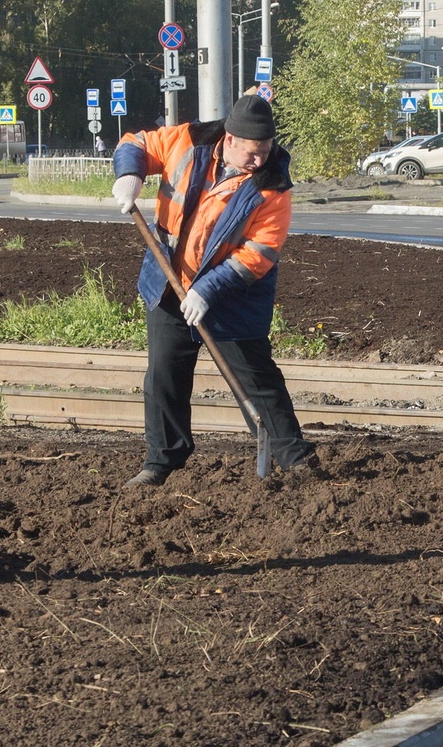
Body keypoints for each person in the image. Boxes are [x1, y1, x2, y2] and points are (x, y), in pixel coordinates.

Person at [111, 94, 317, 487]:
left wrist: (207, 290)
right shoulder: (189, 141)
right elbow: (136, 143)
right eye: (253, 152)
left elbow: (258, 254)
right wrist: (129, 173)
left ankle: (293, 458)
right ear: (230, 139)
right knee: (163, 376)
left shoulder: (273, 186)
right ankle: (162, 460)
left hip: (232, 295)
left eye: (267, 150)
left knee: (256, 379)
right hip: (169, 282)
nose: (260, 159)